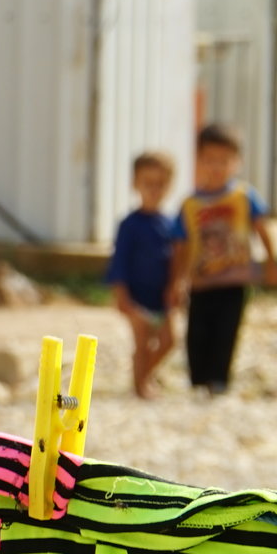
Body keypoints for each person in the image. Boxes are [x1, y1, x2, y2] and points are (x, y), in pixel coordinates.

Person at [165, 124, 277, 395]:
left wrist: (272, 262)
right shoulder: (190, 204)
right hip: (200, 282)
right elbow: (180, 247)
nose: (216, 167)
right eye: (209, 160)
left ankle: (219, 380)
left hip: (234, 280)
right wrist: (176, 282)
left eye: (224, 160)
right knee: (197, 332)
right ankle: (197, 381)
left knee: (226, 332)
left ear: (236, 162)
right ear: (198, 161)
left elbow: (262, 229)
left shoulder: (243, 197)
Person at [104, 151, 179, 399]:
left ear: (169, 186)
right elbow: (119, 262)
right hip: (136, 297)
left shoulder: (170, 224)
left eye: (160, 184)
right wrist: (121, 296)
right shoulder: (130, 225)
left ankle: (145, 375)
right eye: (148, 183)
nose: (154, 189)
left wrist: (177, 287)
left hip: (162, 297)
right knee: (142, 343)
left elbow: (176, 262)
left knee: (169, 341)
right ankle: (140, 387)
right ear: (135, 183)